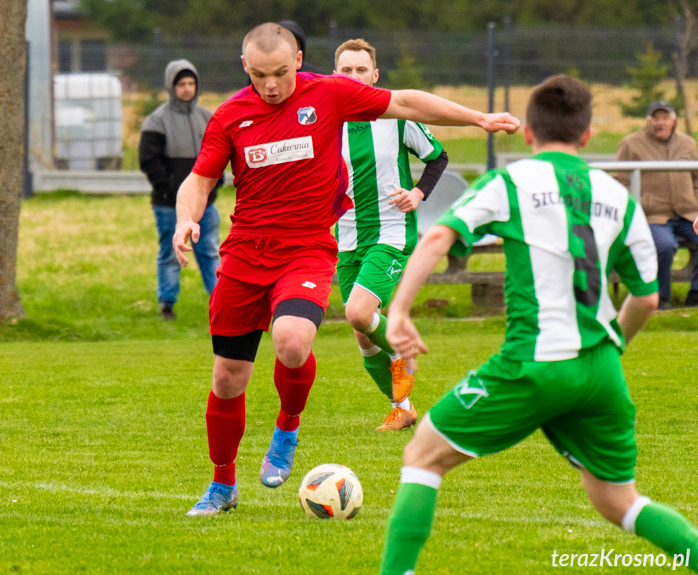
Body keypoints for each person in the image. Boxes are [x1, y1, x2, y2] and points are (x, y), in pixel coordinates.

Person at [173, 22, 519, 517]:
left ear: (298, 60)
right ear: (245, 67)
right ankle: (222, 485)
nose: (272, 86)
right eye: (261, 75)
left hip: (307, 249)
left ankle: (287, 428)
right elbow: (200, 179)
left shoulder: (329, 93)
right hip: (245, 253)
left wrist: (478, 118)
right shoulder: (230, 116)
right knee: (228, 377)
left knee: (293, 340)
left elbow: (407, 103)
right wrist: (186, 218)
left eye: (281, 73)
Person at [379, 75, 698, 574]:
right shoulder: (619, 199)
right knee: (620, 504)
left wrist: (398, 312)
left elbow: (439, 235)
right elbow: (648, 297)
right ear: (588, 135)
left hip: (535, 363)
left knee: (422, 455)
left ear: (527, 133)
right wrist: (611, 348)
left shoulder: (513, 181)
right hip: (600, 374)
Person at [333, 39, 449, 431]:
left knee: (359, 313)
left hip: (391, 233)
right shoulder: (327, 123)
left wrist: (417, 193)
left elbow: (437, 157)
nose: (353, 77)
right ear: (335, 75)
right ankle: (403, 407)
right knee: (363, 335)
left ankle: (403, 346)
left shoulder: (395, 116)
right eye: (346, 70)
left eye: (361, 70)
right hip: (346, 238)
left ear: (375, 75)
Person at [139, 59, 222, 320]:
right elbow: (149, 161)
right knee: (170, 252)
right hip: (167, 205)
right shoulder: (156, 121)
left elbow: (219, 157)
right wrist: (172, 190)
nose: (187, 89)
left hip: (205, 205)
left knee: (209, 252)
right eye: (181, 84)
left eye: (191, 83)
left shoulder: (207, 118)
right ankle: (167, 304)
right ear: (171, 86)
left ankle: (221, 301)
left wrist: (212, 187)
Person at [614, 100, 698, 309]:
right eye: (656, 118)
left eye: (665, 118)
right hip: (653, 216)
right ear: (648, 120)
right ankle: (661, 298)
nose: (660, 123)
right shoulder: (631, 144)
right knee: (664, 246)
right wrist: (637, 206)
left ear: (673, 120)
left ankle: (695, 294)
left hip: (688, 213)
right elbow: (619, 181)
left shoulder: (688, 144)